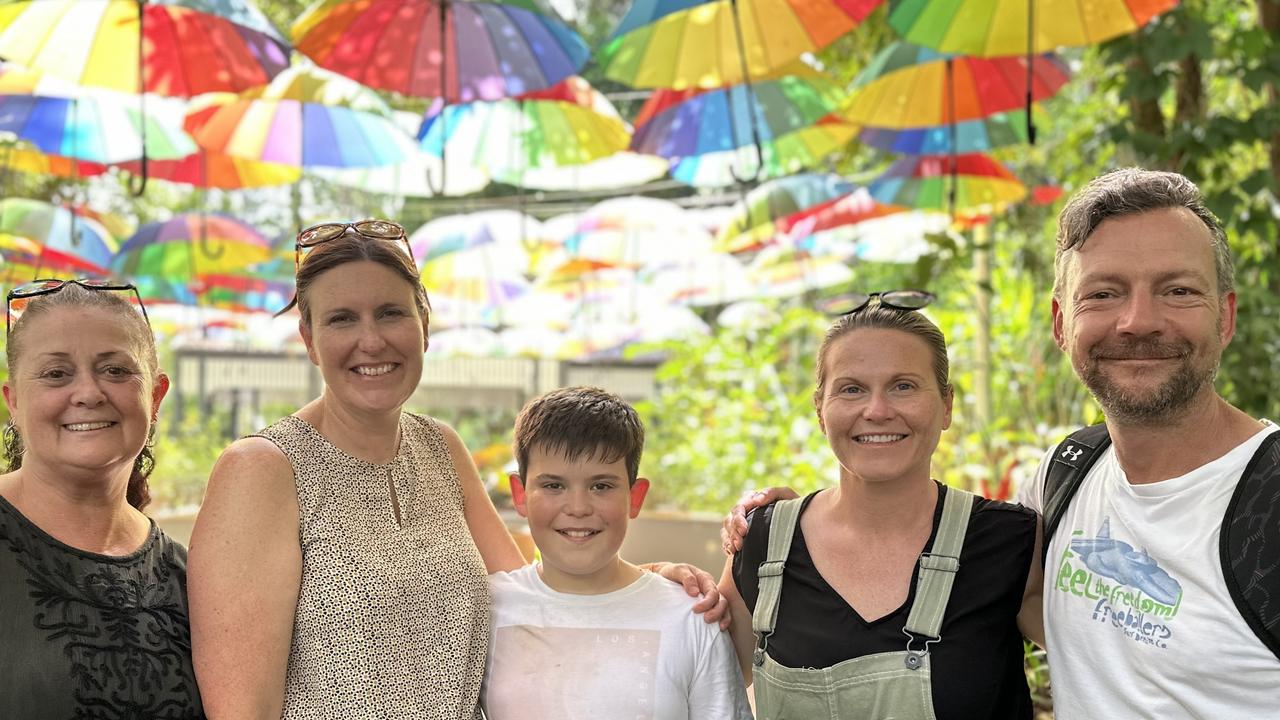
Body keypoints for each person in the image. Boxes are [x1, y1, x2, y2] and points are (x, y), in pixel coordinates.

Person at [187, 220, 725, 719]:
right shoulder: (262, 468)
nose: (371, 340)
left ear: (424, 324)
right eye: (341, 319)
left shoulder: (439, 447)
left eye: (391, 312)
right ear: (308, 339)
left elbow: (536, 595)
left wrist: (644, 583)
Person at [1012, 168, 1280, 718]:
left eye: (1178, 291)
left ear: (1224, 318)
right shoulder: (1066, 474)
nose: (1138, 322)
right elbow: (1011, 594)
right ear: (1062, 324)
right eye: (1104, 293)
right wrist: (803, 529)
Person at [717, 293, 1042, 719]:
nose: (877, 410)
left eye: (903, 386)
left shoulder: (1011, 542)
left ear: (946, 405)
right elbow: (692, 681)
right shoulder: (762, 544)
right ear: (820, 410)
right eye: (852, 389)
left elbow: (1122, 665)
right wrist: (655, 578)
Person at [482, 386, 752, 720]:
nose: (578, 508)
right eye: (554, 485)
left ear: (635, 497)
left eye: (601, 486)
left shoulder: (691, 617)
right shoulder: (486, 610)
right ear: (520, 495)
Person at [0, 279, 203, 718]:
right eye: (56, 373)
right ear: (13, 401)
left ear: (155, 396)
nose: (89, 393)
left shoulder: (191, 577)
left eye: (115, 370)